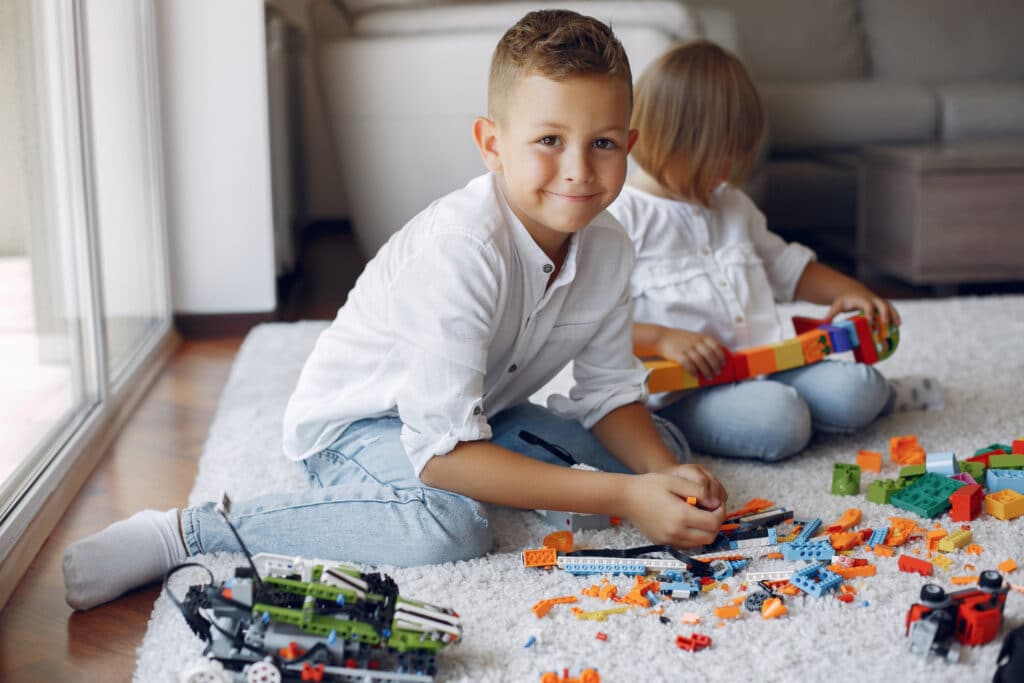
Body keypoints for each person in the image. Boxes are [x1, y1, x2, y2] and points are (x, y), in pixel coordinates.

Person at [62, 10, 727, 611]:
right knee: (450, 524)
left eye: (603, 143)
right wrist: (622, 497)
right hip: (358, 426)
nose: (579, 170)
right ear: (492, 145)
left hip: (481, 410)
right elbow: (441, 457)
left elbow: (610, 393)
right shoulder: (463, 248)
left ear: (629, 144)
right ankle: (188, 529)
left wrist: (658, 477)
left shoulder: (610, 243)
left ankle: (533, 469)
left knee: (662, 450)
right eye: (549, 140)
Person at [608, 40, 941, 464]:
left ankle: (871, 401)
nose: (727, 172)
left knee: (862, 388)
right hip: (686, 391)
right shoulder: (622, 219)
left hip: (768, 362)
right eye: (715, 158)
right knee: (781, 420)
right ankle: (753, 418)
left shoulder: (732, 203)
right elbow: (594, 324)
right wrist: (663, 338)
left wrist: (855, 292)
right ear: (663, 138)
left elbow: (790, 270)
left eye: (737, 155)